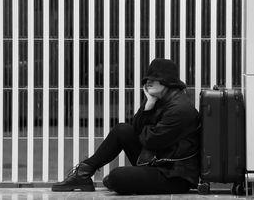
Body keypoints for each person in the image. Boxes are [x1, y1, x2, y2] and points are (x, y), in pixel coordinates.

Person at [51, 58, 200, 194]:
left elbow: (151, 140)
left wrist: (147, 128)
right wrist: (147, 106)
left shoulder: (180, 109)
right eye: (147, 79)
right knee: (122, 129)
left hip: (174, 175)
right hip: (155, 161)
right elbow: (135, 128)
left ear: (167, 82)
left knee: (116, 177)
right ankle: (83, 173)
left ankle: (125, 179)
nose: (148, 82)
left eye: (154, 79)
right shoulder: (157, 99)